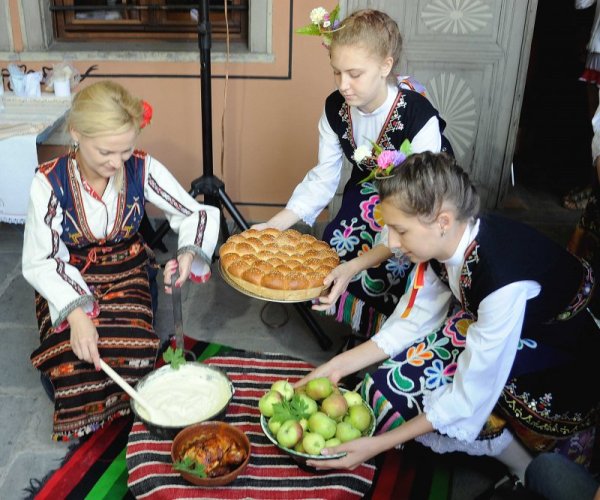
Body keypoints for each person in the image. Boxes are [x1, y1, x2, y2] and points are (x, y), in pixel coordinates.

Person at [295, 152, 600, 482]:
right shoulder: (445, 243)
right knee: (390, 382)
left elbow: (470, 393)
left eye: (400, 230)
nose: (392, 243)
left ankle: (521, 464)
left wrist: (377, 445)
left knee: (426, 395)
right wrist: (333, 369)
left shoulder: (500, 281)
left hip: (561, 348)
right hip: (495, 321)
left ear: (442, 220)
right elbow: (412, 322)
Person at [22, 80, 220, 440]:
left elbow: (195, 213)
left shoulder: (140, 168)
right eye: (106, 152)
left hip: (126, 270)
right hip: (66, 277)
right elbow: (43, 258)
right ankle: (82, 388)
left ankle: (102, 395)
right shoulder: (49, 183)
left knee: (137, 349)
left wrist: (189, 253)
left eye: (125, 151)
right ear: (76, 133)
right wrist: (77, 314)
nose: (116, 163)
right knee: (72, 361)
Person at [254, 8, 451, 337]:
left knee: (397, 263)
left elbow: (419, 208)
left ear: (385, 65)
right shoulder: (335, 110)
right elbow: (324, 177)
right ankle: (365, 332)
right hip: (372, 188)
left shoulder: (419, 118)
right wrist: (275, 225)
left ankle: (396, 337)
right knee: (335, 247)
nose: (344, 85)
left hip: (425, 199)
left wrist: (361, 263)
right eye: (336, 73)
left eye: (355, 74)